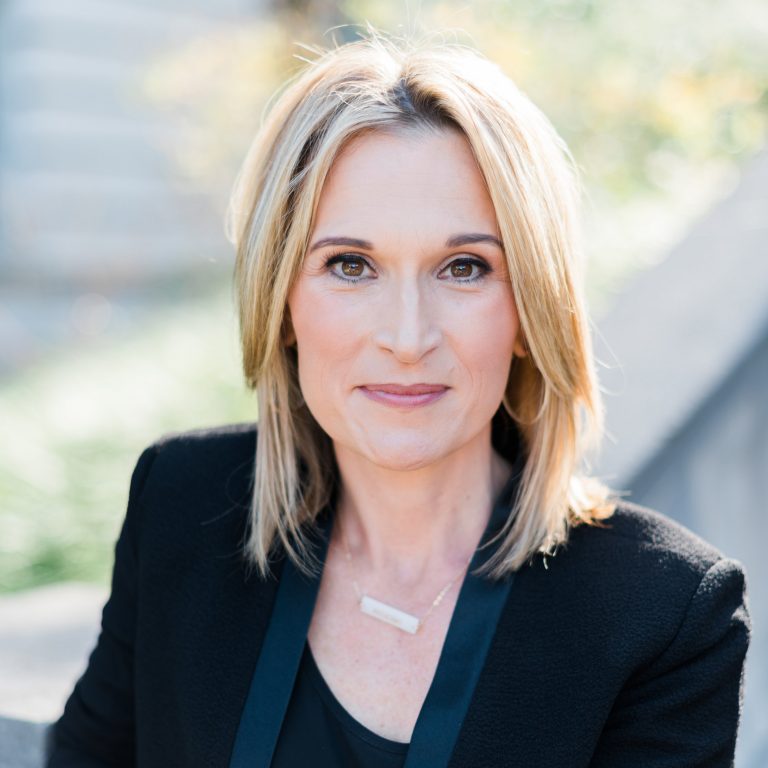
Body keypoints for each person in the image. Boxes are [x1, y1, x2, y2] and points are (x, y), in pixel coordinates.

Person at [47, 30, 750, 768]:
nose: (408, 338)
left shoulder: (665, 614)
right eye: (351, 266)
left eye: (464, 267)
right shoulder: (181, 506)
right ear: (281, 301)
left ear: (529, 312)